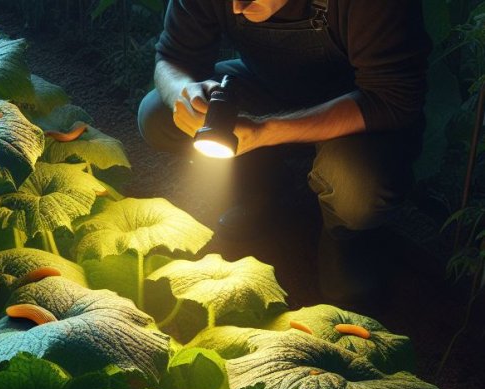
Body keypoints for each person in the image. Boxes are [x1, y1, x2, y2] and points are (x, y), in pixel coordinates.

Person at [137, 0, 430, 306]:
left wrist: (265, 131)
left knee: (358, 186)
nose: (237, 7)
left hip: (358, 115)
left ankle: (344, 234)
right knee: (158, 114)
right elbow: (172, 56)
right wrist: (182, 93)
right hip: (267, 88)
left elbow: (392, 99)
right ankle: (263, 187)